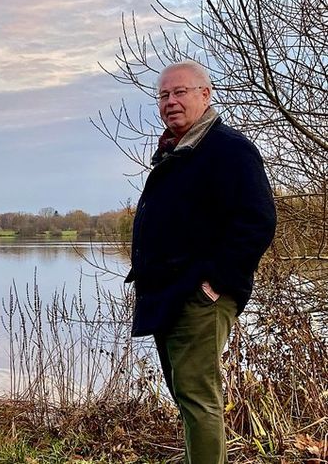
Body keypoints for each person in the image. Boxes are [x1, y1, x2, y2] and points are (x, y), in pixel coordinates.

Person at [126, 60, 276, 463]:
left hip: (200, 296)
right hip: (168, 294)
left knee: (197, 396)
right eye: (163, 95)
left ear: (206, 95)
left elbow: (257, 221)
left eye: (181, 92)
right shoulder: (179, 151)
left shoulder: (228, 149)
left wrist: (215, 283)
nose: (170, 102)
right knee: (186, 393)